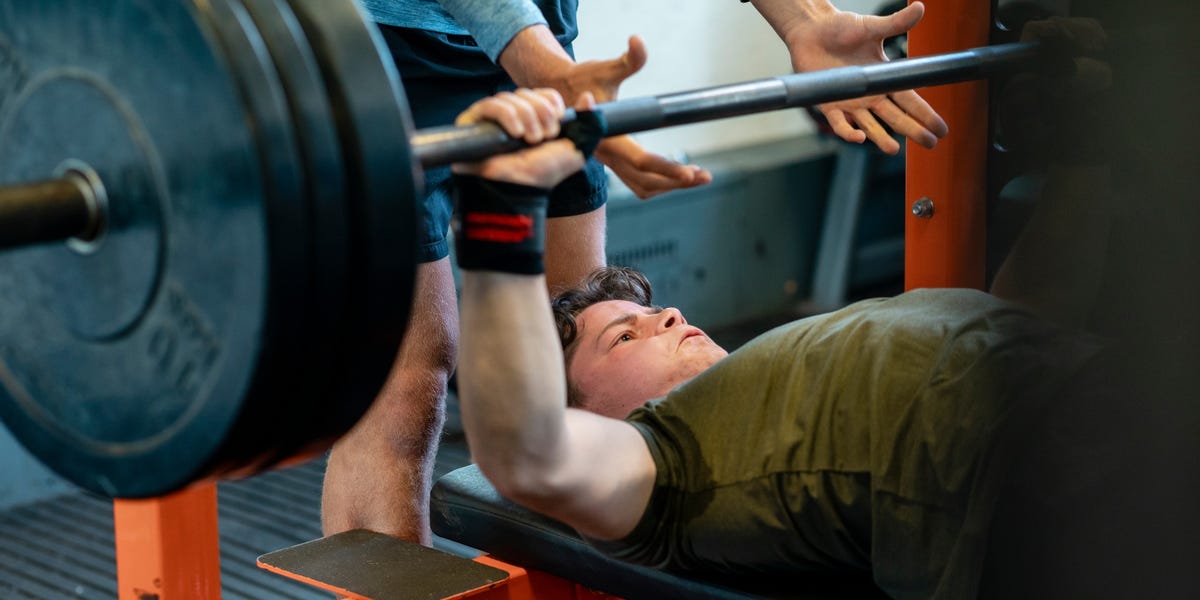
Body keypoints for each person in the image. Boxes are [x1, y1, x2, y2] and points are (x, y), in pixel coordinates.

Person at [446, 67, 1170, 595]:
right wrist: (502, 207)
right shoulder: (659, 474)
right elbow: (527, 454)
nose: (667, 315)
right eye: (625, 338)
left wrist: (1080, 147)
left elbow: (1033, 313)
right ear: (586, 419)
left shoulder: (758, 386)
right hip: (1045, 463)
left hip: (1105, 389)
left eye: (650, 312)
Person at [323, 0, 950, 544]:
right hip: (382, 50)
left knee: (584, 332)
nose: (673, 315)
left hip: (539, 36)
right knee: (404, 385)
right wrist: (552, 73)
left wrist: (801, 22)